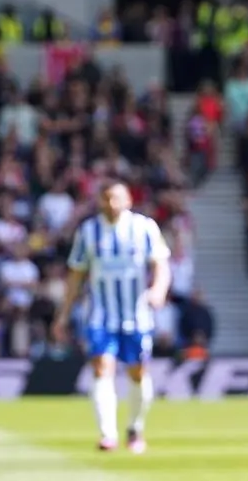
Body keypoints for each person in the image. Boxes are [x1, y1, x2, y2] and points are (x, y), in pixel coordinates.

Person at [52, 181, 171, 453]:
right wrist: (63, 314)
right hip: (101, 315)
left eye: (116, 198)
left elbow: (161, 265)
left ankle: (135, 428)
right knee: (101, 368)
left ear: (129, 200)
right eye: (106, 199)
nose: (111, 204)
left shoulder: (144, 228)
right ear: (99, 201)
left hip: (136, 315)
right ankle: (108, 434)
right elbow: (76, 275)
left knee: (138, 373)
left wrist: (158, 290)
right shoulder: (88, 231)